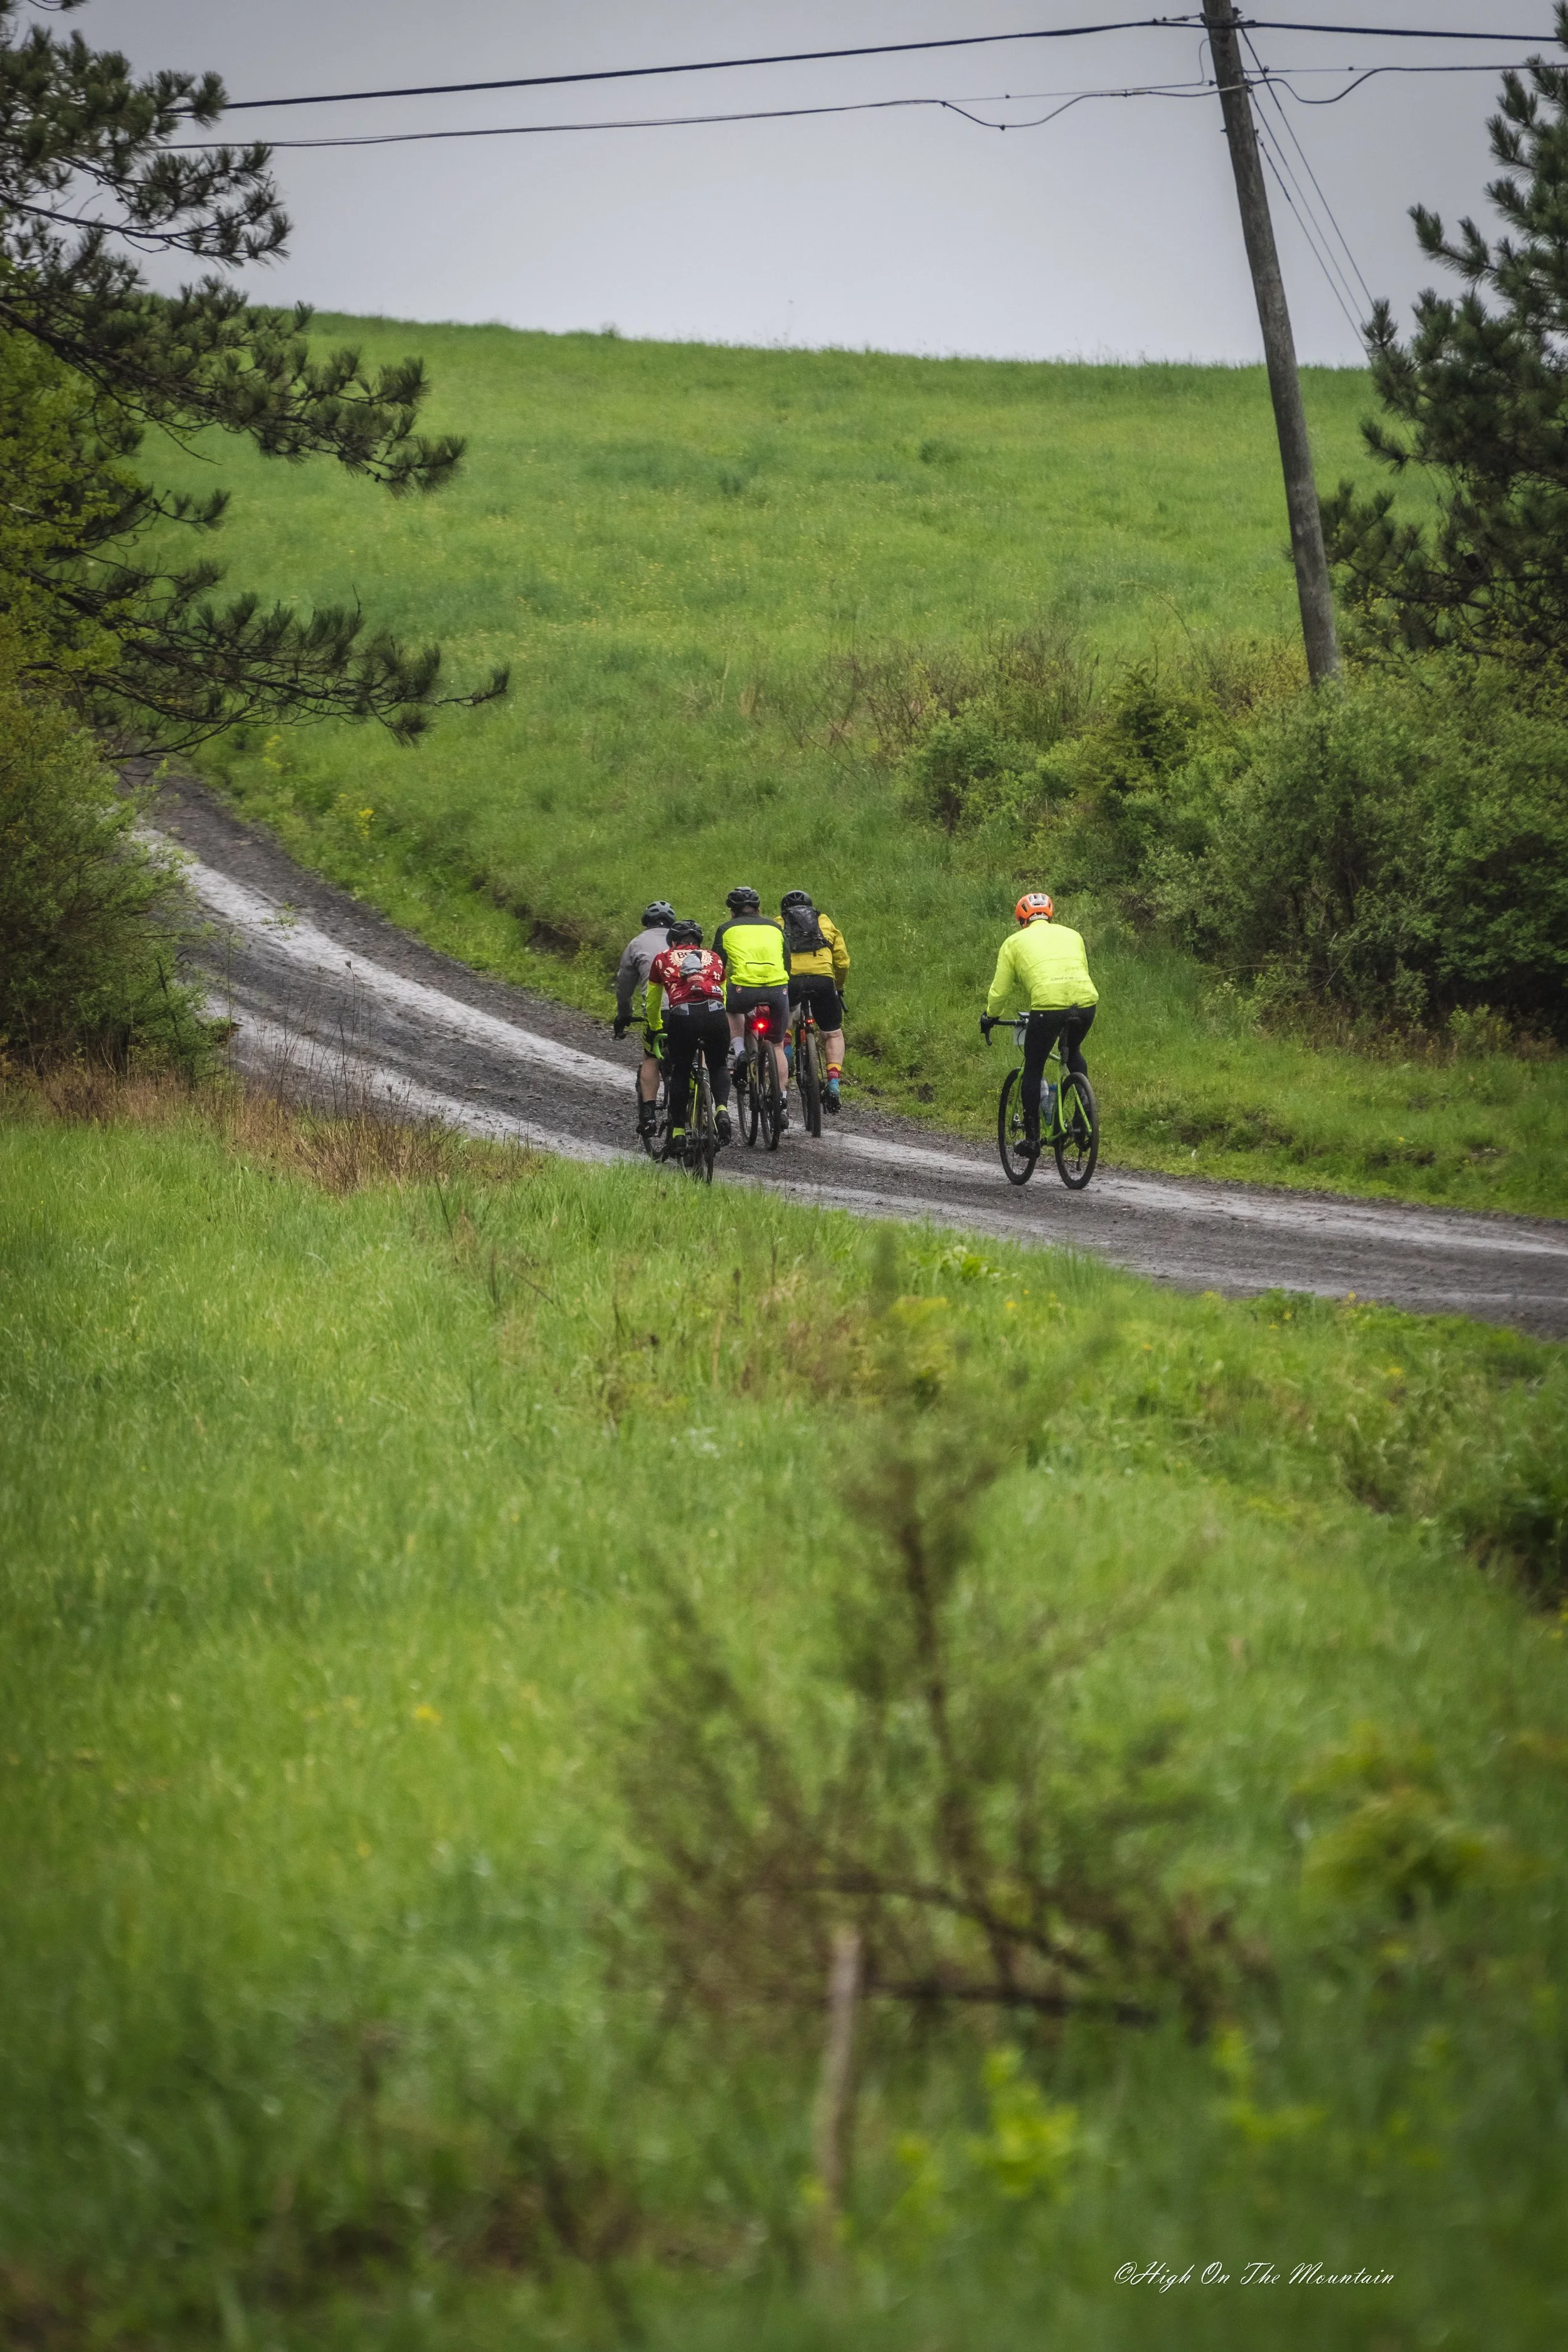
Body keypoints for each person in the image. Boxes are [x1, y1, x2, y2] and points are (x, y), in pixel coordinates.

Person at [983, 891, 1098, 1142]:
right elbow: (1081, 971)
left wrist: (990, 1016)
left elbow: (1000, 991)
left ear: (1022, 920)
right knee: (1074, 1052)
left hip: (1048, 1005)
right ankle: (1084, 1119)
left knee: (1034, 1066)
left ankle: (1032, 1138)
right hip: (1087, 1002)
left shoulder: (1013, 943)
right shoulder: (1073, 935)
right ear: (1050, 915)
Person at [647, 919, 733, 1150]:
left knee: (681, 1071)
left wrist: (656, 1026)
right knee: (718, 1066)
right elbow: (723, 995)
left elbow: (653, 1002)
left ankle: (677, 1133)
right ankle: (722, 1110)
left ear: (673, 942)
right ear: (698, 943)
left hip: (683, 1017)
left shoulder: (662, 958)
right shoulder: (715, 958)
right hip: (716, 1015)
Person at [712, 885, 791, 1127]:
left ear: (733, 913)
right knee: (777, 1045)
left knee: (731, 1009)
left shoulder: (726, 929)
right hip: (779, 989)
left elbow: (717, 966)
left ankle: (740, 1052)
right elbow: (787, 963)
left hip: (743, 989)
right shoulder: (776, 928)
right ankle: (782, 1103)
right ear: (758, 909)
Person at [779, 887, 850, 1112]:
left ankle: (787, 1054)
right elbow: (843, 962)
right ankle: (834, 1082)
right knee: (833, 1033)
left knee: (785, 1017)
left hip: (791, 980)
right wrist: (838, 988)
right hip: (823, 980)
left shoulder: (778, 923)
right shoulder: (825, 921)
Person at [613, 900, 675, 1142]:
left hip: (659, 1011)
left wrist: (624, 1014)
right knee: (695, 1053)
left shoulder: (636, 944)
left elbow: (624, 987)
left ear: (646, 923)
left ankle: (649, 1116)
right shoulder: (686, 942)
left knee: (651, 1057)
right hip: (694, 1006)